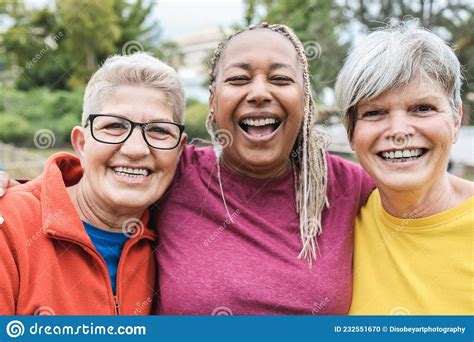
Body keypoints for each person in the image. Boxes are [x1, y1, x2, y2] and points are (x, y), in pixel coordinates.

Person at [1, 23, 374, 315]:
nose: (135, 149)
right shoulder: (180, 174)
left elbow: (419, 205)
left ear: (304, 98)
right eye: (239, 78)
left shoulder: (347, 185)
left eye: (280, 79)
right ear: (213, 103)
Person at [0, 53, 186, 315]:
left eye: (159, 130)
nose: (135, 149)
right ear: (82, 144)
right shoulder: (8, 227)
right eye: (115, 126)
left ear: (180, 151)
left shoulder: (178, 236)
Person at [335, 21, 474, 314]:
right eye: (374, 112)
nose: (399, 131)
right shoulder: (335, 222)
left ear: (456, 120)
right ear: (351, 133)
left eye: (422, 108)